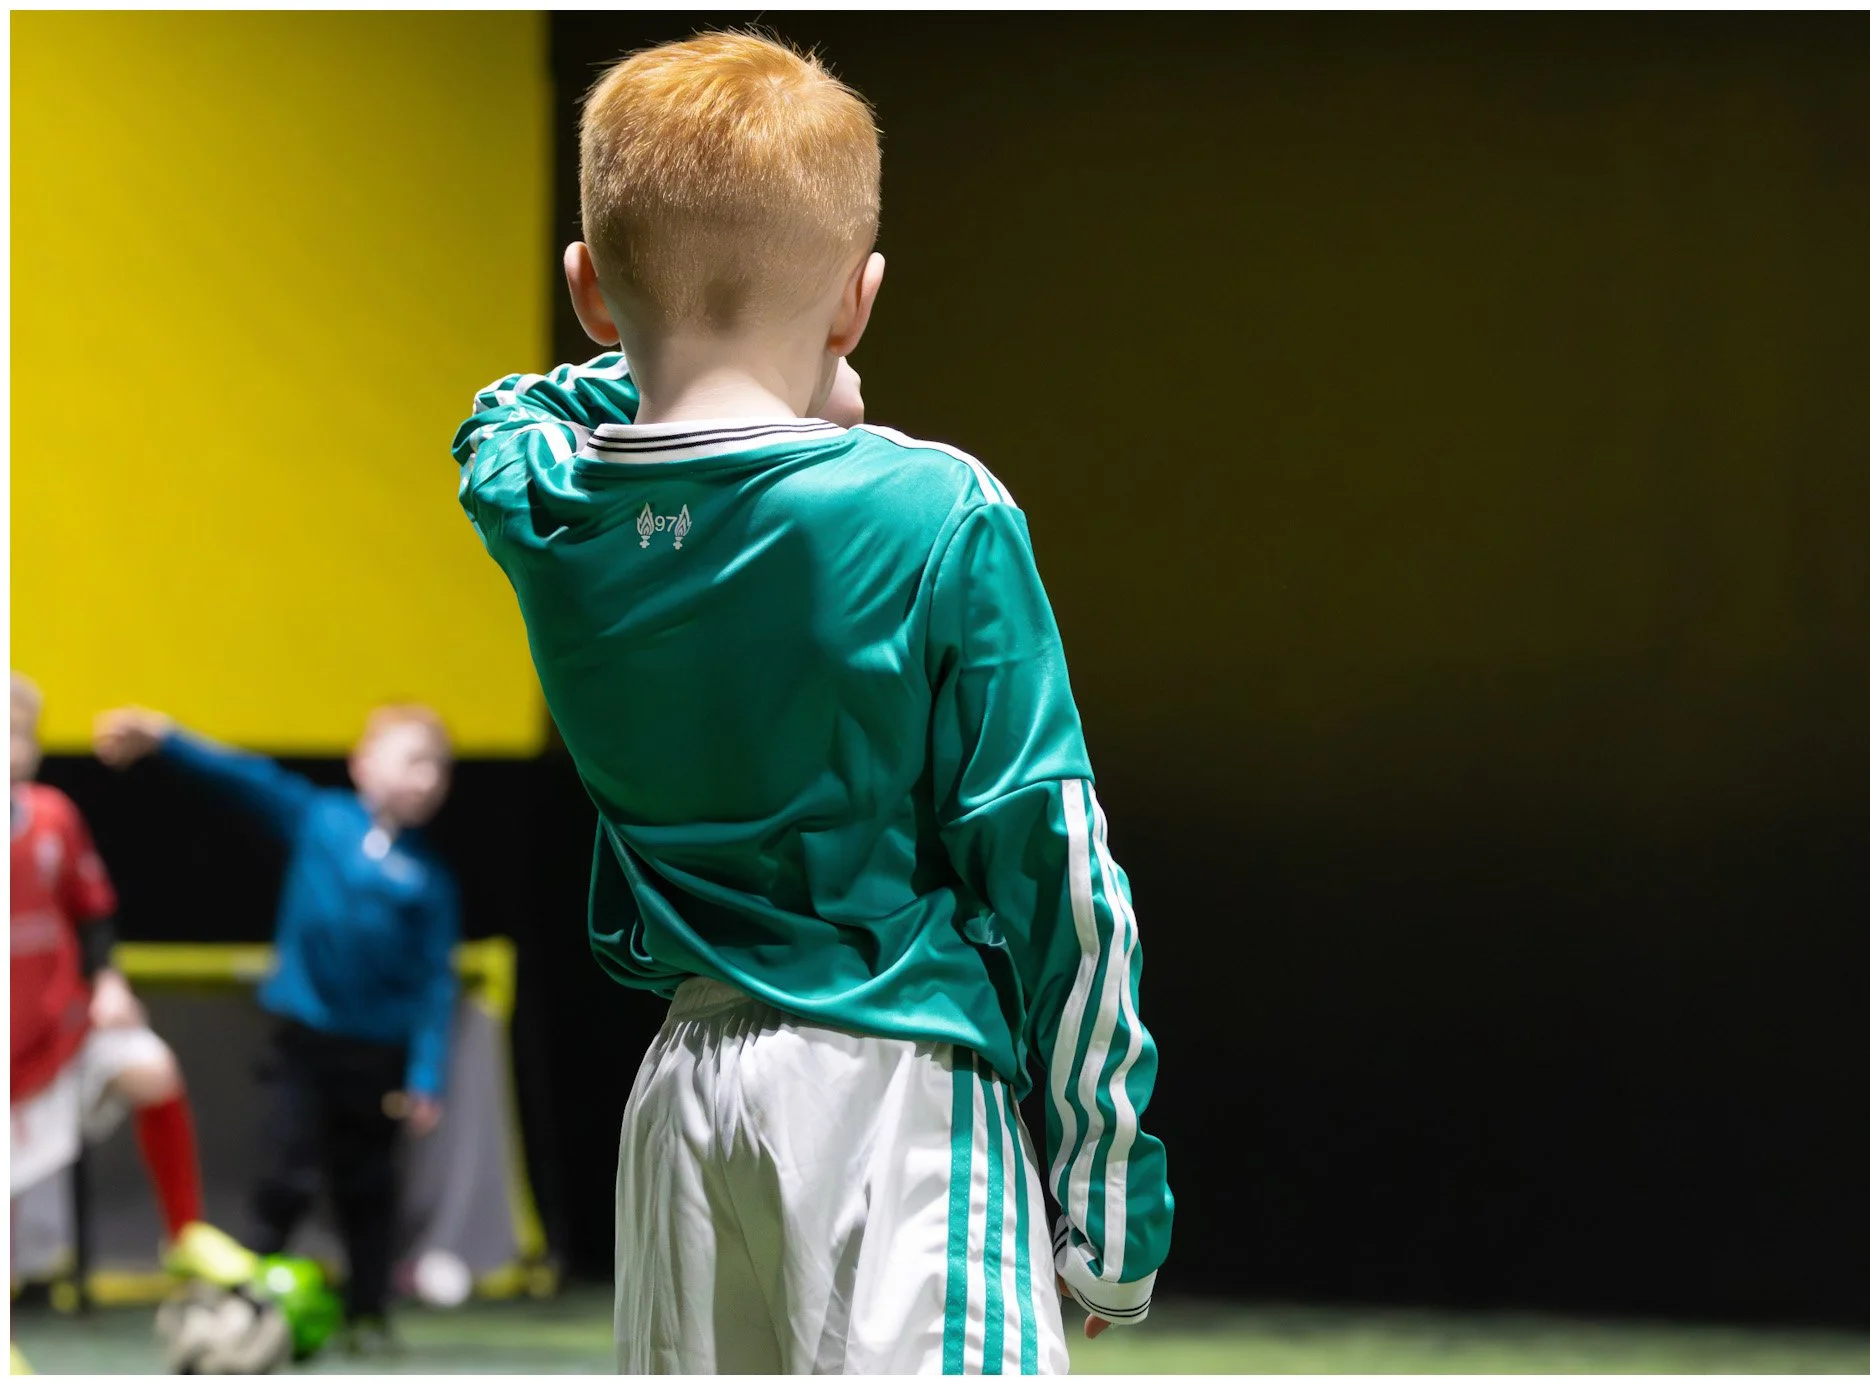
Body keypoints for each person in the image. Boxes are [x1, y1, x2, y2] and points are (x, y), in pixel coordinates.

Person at [451, 31, 1171, 1374]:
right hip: (896, 1101)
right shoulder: (935, 507)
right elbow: (1057, 865)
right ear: (859, 300)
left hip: (680, 1111)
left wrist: (685, 358)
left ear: (589, 291)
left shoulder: (548, 501)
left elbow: (502, 414)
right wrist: (1115, 1207)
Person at [92, 703, 460, 1352]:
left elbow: (435, 983)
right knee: (284, 1172)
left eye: (439, 768)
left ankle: (368, 1312)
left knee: (368, 1187)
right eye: (413, 760)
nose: (427, 779)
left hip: (377, 1056)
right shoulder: (322, 820)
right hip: (305, 1044)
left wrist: (424, 1071)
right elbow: (243, 776)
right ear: (363, 762)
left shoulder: (431, 878)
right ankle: (243, 1294)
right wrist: (167, 737)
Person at [9, 674, 209, 1260]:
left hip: (62, 1026)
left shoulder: (55, 817)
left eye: (19, 733)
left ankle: (186, 1240)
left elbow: (92, 912)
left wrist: (110, 983)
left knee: (152, 1069)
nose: (9, 745)